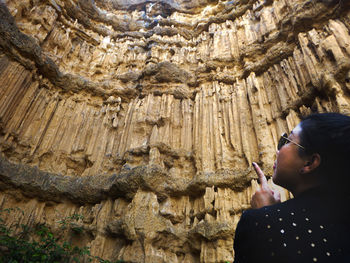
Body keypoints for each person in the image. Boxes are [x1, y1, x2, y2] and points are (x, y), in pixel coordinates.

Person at [233, 113, 350, 263]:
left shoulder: (259, 222)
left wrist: (267, 220)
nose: (278, 151)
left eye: (286, 141)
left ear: (310, 163)